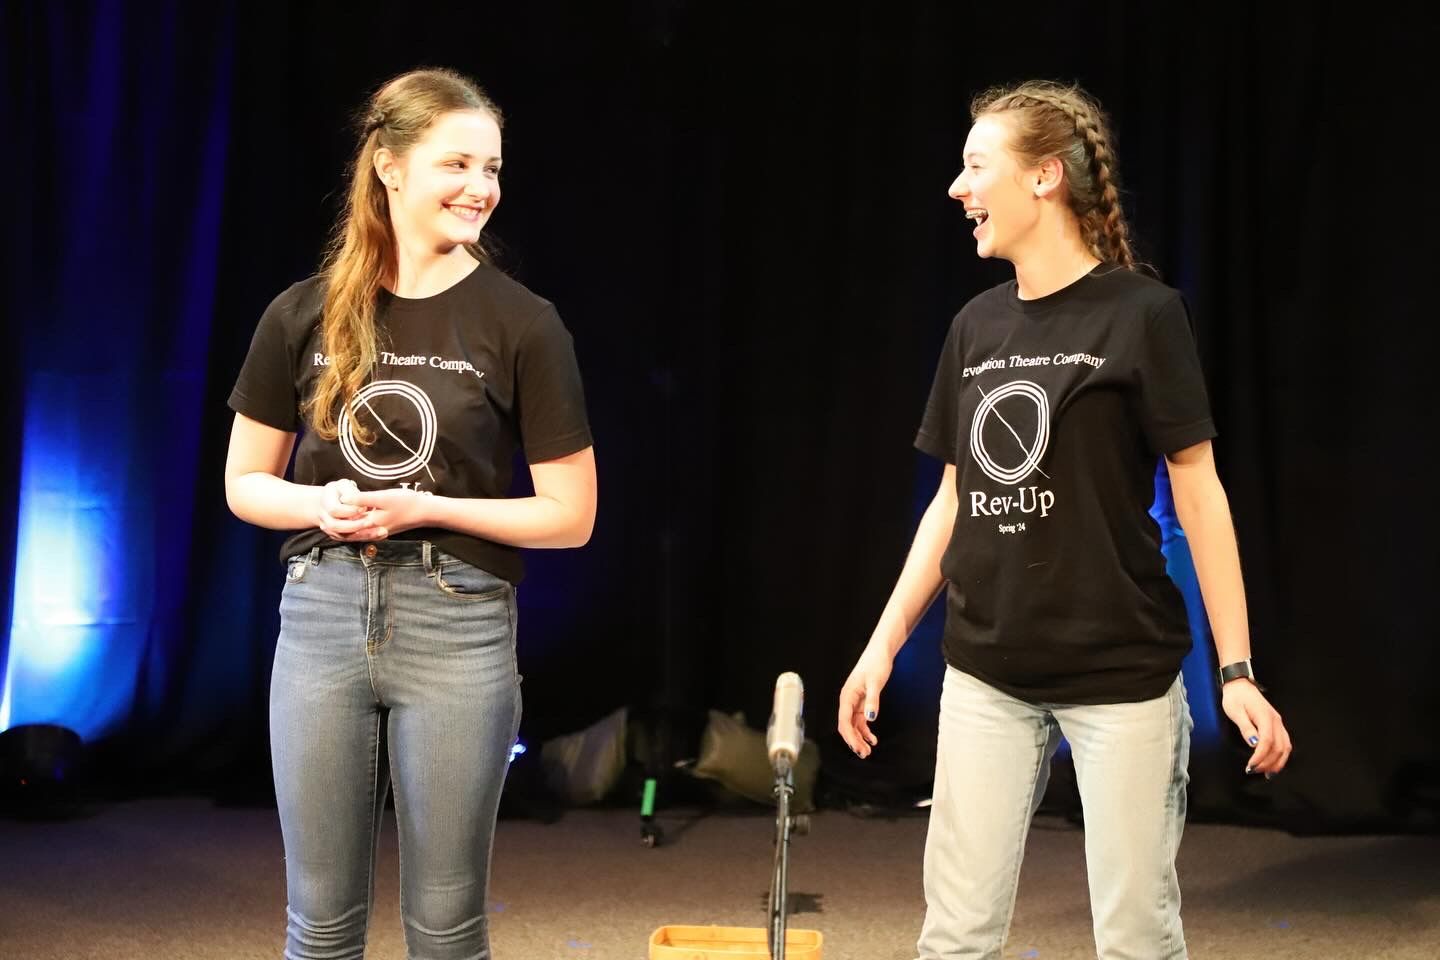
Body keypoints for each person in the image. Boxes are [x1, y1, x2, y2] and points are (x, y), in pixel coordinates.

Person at [836, 80, 1292, 960]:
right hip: (987, 673)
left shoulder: (1144, 316)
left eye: (976, 167)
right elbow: (957, 497)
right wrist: (883, 644)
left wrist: (1234, 669)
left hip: (1119, 672)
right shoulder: (975, 325)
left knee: (1135, 939)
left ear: (1044, 177)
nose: (956, 188)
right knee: (955, 938)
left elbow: (1200, 496)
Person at [224, 67, 596, 959]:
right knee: (318, 924)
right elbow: (245, 484)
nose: (481, 189)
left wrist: (431, 506)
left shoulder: (522, 323)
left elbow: (571, 515)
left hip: (457, 621)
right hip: (319, 616)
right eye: (457, 164)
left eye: (493, 169)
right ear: (389, 168)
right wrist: (320, 500)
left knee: (445, 925)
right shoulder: (302, 313)